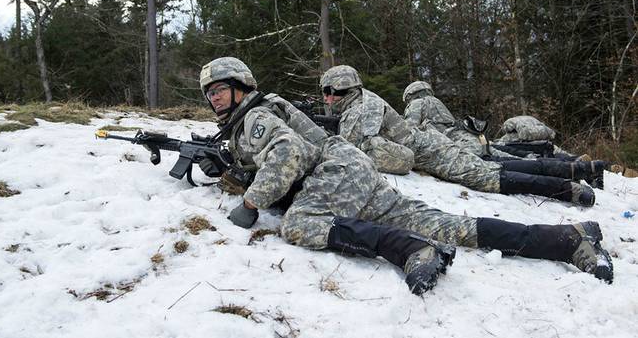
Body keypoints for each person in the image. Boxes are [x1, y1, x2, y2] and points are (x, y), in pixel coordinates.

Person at [197, 57, 613, 297]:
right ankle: (567, 239)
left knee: (298, 225)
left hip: (332, 174)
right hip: (347, 175)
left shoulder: (254, 114)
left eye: (220, 88)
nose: (214, 97)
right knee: (447, 225)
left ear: (240, 86)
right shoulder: (249, 119)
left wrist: (251, 202)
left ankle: (413, 250)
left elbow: (286, 153)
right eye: (209, 92)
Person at [320, 65, 596, 206]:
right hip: (439, 143)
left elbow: (361, 149)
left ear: (336, 89)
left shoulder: (363, 108)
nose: (325, 98)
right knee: (494, 164)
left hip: (434, 151)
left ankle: (570, 187)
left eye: (326, 92)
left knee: (491, 176)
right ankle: (575, 169)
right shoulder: (362, 102)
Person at [402, 81, 606, 189]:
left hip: (453, 143)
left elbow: (408, 129)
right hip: (466, 136)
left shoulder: (417, 104)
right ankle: (574, 167)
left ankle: (570, 171)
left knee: (505, 163)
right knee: (511, 156)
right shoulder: (437, 102)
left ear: (410, 95)